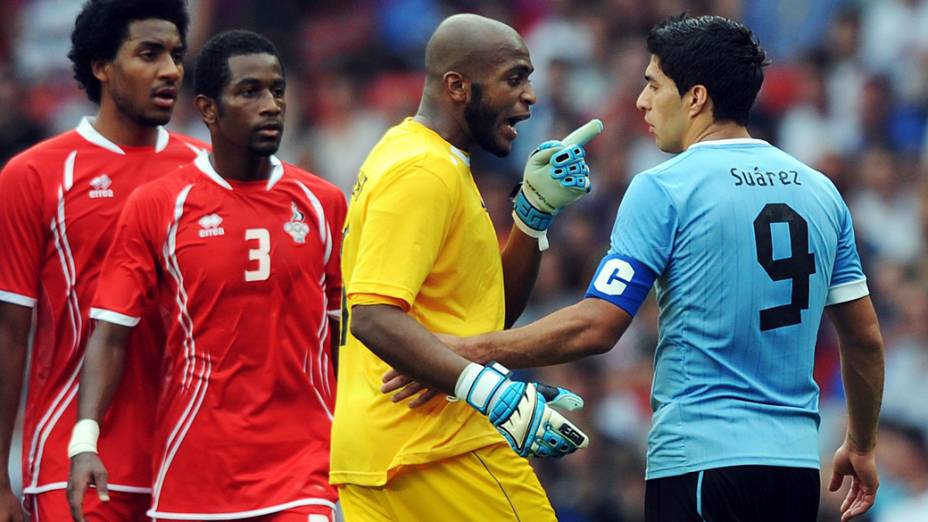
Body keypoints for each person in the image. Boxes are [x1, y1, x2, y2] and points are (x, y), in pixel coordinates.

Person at [384, 14, 885, 522]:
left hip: (701, 464)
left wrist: (464, 355)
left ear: (696, 98)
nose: (642, 101)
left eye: (653, 85)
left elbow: (598, 326)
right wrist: (861, 445)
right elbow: (864, 339)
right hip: (796, 468)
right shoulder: (821, 192)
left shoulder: (665, 186)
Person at [331, 13, 600, 521]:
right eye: (515, 78)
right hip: (441, 448)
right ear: (457, 86)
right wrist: (491, 392)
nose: (531, 96)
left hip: (382, 455)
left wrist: (532, 215)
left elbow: (488, 313)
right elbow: (370, 315)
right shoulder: (422, 169)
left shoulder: (424, 158)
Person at [66, 30, 344, 522]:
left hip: (304, 467)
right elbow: (111, 332)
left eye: (277, 90)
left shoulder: (323, 204)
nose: (271, 105)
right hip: (196, 467)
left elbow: (343, 332)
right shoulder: (160, 206)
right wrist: (84, 439)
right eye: (249, 91)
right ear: (208, 110)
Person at [0, 1, 200, 520]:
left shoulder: (205, 172)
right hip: (70, 462)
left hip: (191, 460)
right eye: (149, 54)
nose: (170, 70)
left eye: (176, 55)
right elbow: (10, 333)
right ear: (101, 66)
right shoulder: (35, 176)